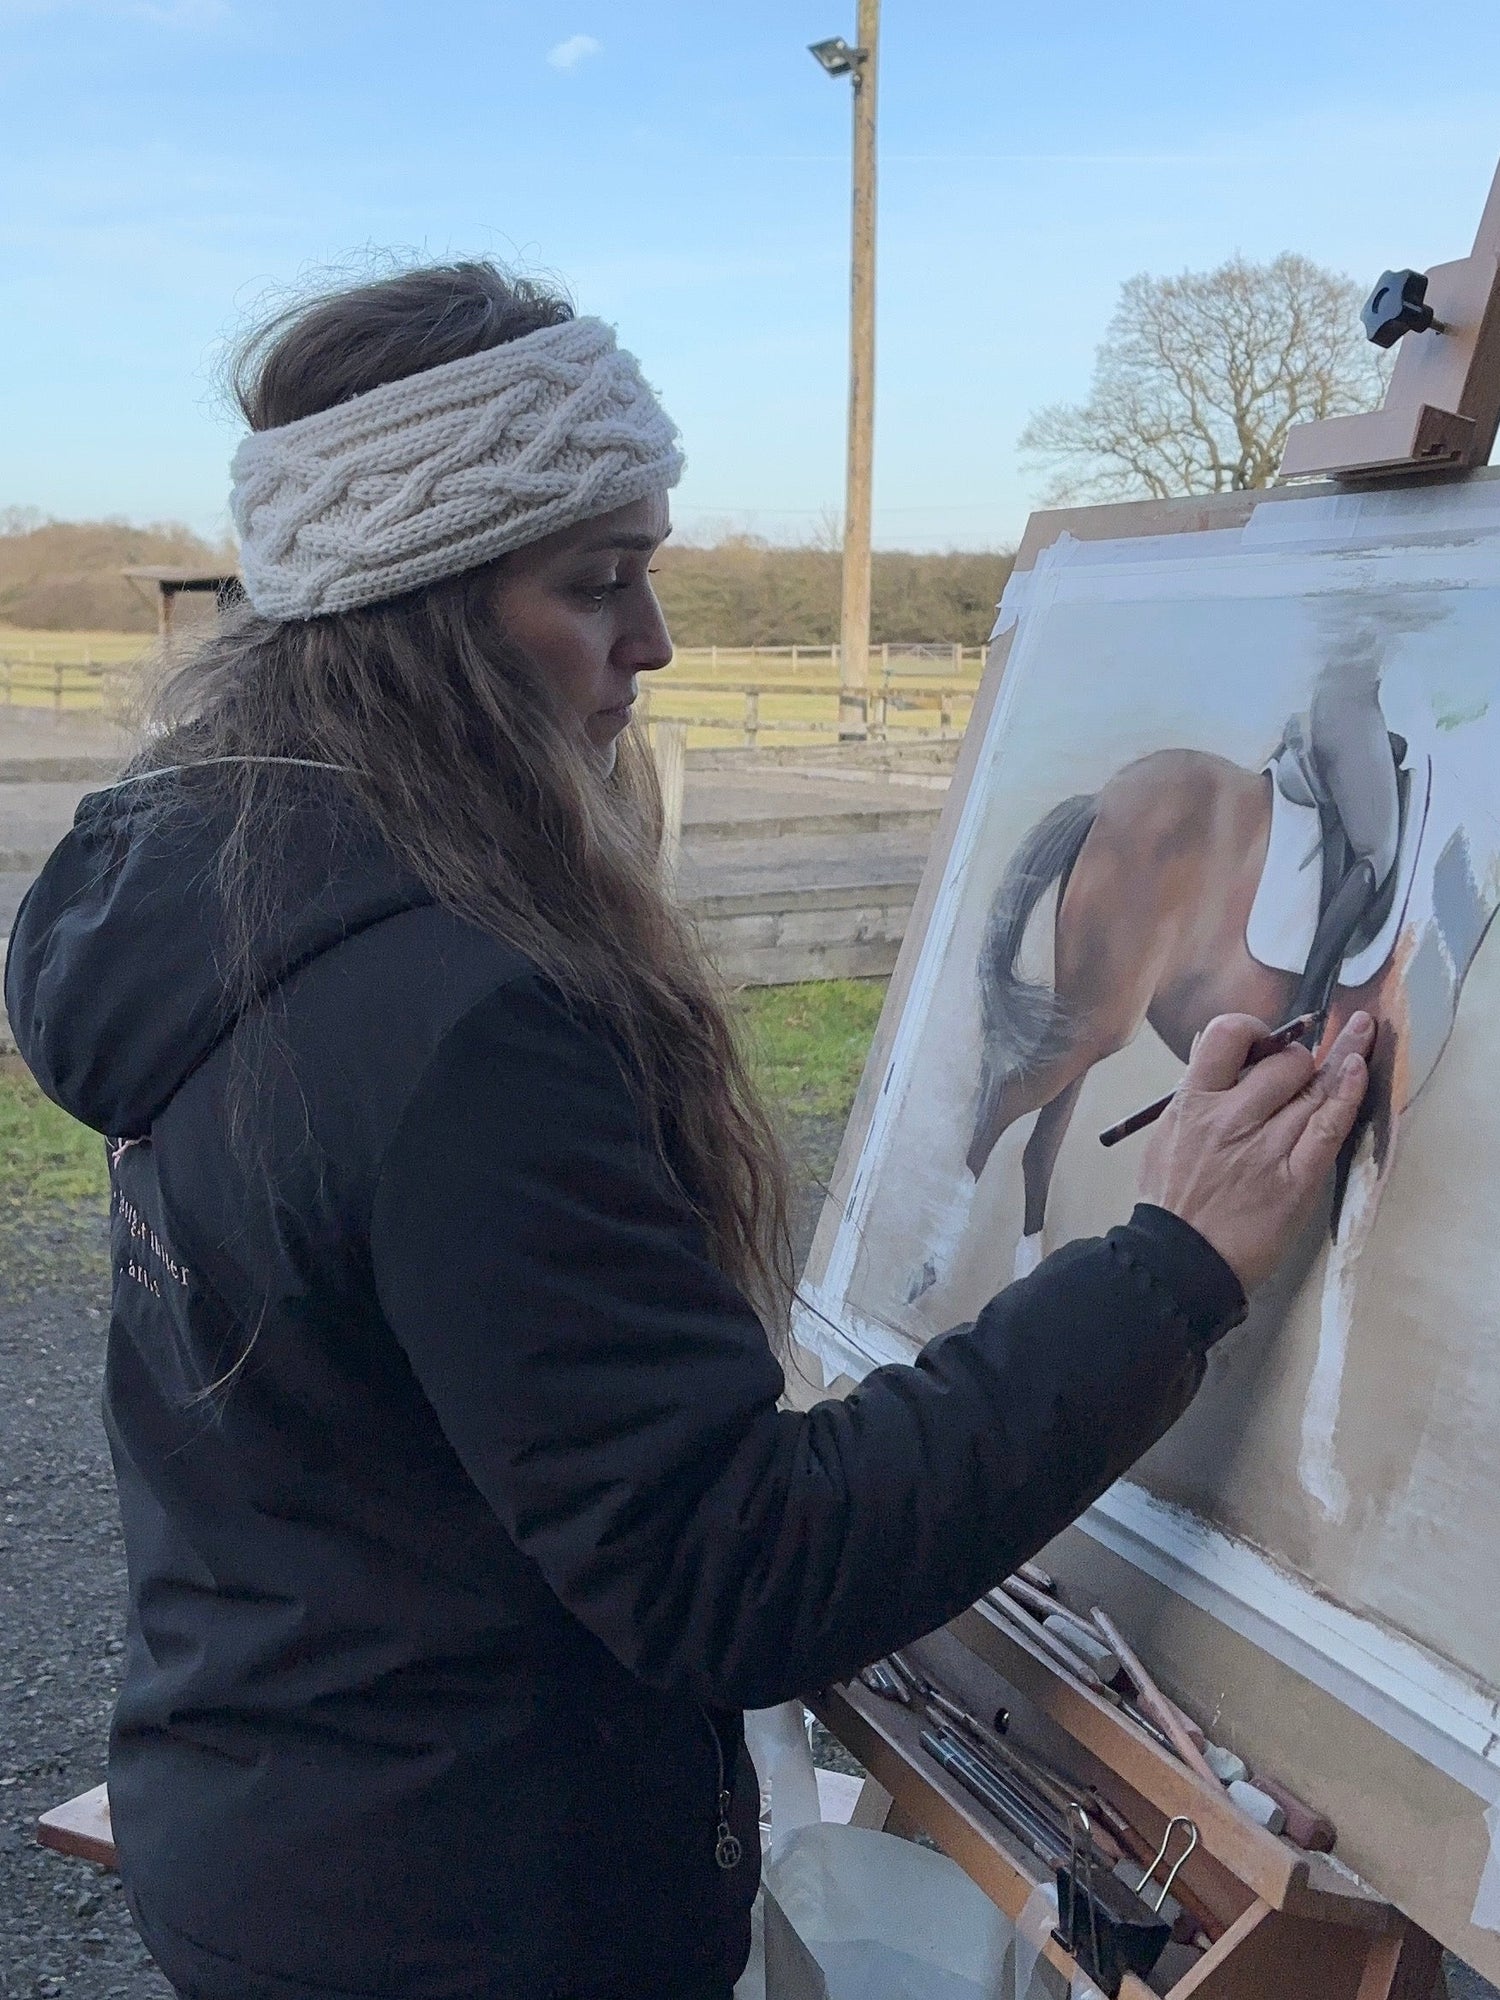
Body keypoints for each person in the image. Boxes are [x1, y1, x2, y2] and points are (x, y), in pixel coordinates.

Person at [4, 261, 1373, 2000]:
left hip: (278, 1820)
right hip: (464, 1921)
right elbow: (740, 1576)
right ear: (415, 620)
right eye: (598, 586)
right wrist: (1167, 1270)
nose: (652, 644)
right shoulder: (454, 1016)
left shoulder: (219, 902)